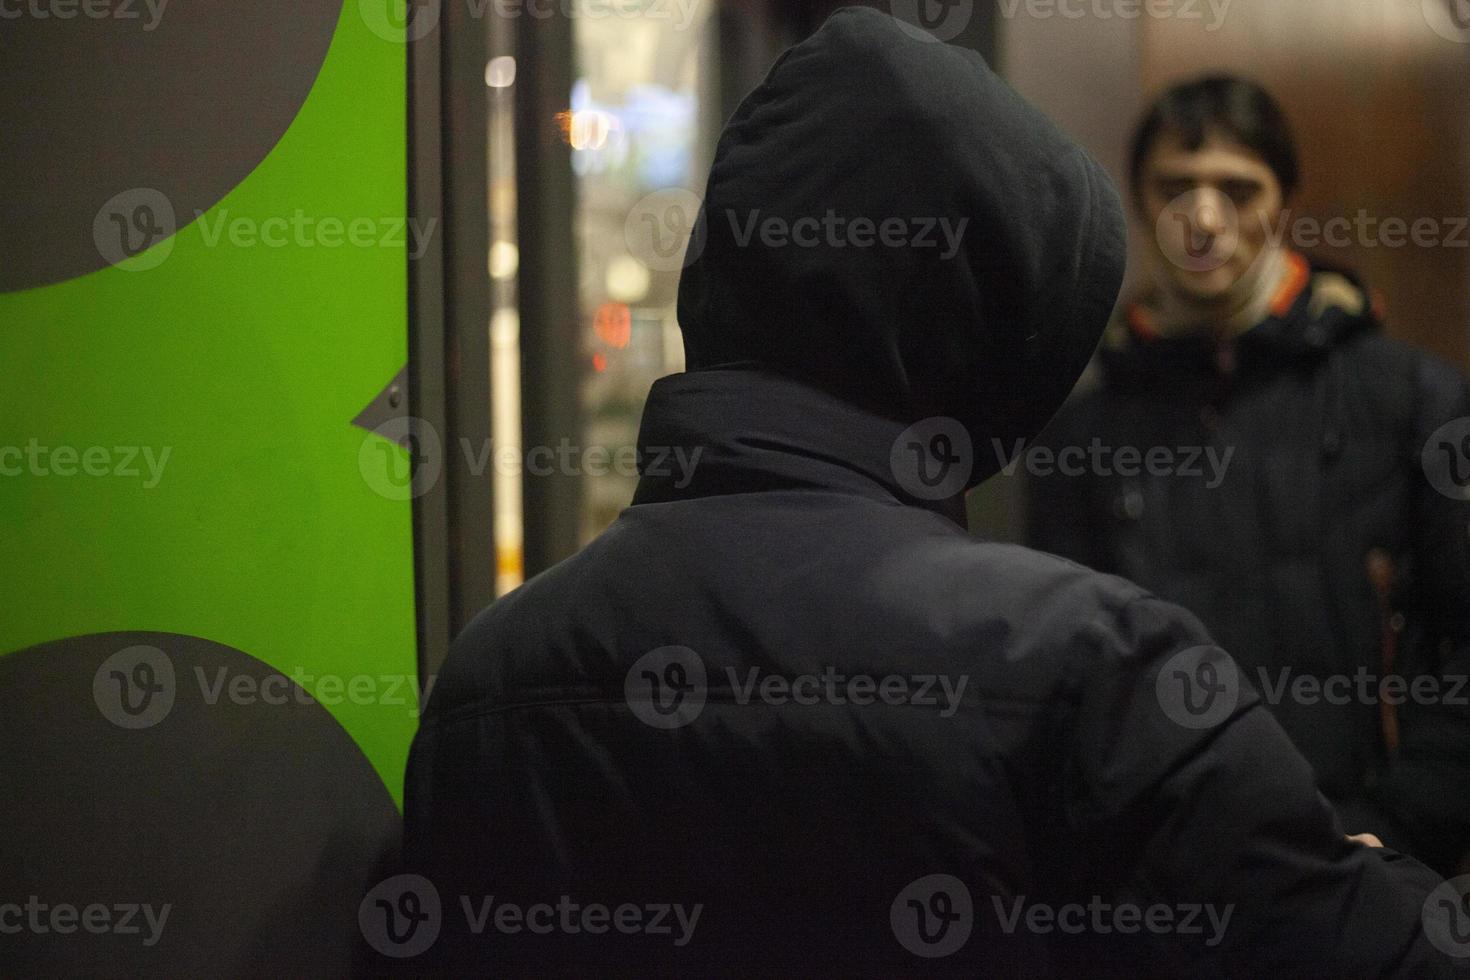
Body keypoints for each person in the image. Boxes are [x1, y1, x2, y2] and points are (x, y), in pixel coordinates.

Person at [401, 11, 1468, 976]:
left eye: (1238, 189)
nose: (1205, 219)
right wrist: (1341, 874)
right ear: (992, 333)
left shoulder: (487, 682)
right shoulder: (1086, 670)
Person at [1027, 74, 1470, 878]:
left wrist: (1403, 830)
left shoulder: (1413, 402)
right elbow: (1062, 680)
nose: (1204, 219)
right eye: (1175, 188)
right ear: (1138, 202)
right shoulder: (1082, 434)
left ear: (1285, 201)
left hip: (1374, 863)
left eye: (1238, 188)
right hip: (1158, 875)